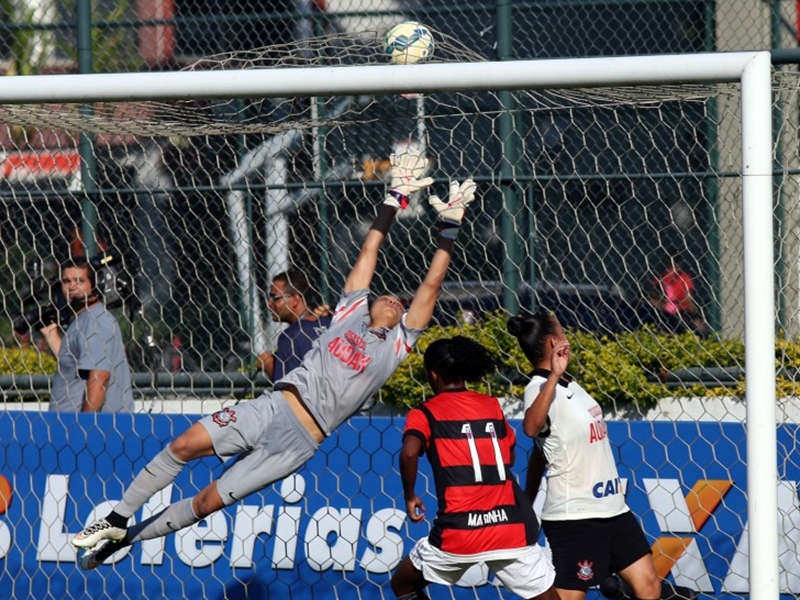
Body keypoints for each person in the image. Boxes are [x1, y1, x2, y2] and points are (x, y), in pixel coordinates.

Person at [72, 148, 477, 569]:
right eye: (386, 295)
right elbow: (368, 252)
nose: (394, 300)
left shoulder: (395, 347)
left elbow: (431, 284)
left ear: (402, 322)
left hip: (298, 442)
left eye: (400, 304)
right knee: (182, 444)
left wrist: (449, 227)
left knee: (207, 502)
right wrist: (395, 198)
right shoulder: (346, 316)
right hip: (272, 406)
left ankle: (126, 541)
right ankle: (116, 520)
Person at [507, 311, 662, 600]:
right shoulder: (538, 389)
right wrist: (553, 376)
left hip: (613, 509)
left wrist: (528, 499)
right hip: (575, 516)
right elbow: (531, 428)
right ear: (554, 341)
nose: (569, 337)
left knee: (649, 587)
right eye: (563, 332)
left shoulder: (571, 385)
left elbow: (542, 450)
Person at [391, 336, 559, 600]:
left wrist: (410, 495)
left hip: (459, 531)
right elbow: (509, 459)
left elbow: (410, 451)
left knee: (403, 585)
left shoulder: (425, 412)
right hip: (510, 527)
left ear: (433, 375)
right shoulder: (491, 405)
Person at [39, 258, 134, 413]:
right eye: (66, 281)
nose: (72, 287)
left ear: (96, 285)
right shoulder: (82, 319)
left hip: (93, 430)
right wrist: (51, 334)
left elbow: (100, 378)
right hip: (67, 426)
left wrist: (87, 428)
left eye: (80, 281)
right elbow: (73, 364)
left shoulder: (96, 321)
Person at [255, 268, 332, 381]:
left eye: (275, 298)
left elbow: (287, 389)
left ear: (295, 299)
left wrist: (268, 364)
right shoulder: (330, 322)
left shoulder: (290, 337)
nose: (269, 303)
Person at [647, 253, 708, 336]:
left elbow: (653, 295)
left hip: (672, 310)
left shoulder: (664, 277)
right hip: (674, 310)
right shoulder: (677, 277)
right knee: (700, 328)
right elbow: (688, 298)